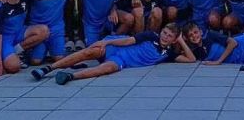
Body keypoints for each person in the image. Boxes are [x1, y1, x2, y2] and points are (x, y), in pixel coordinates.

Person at [30, 23, 196, 85]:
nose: (165, 36)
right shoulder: (150, 35)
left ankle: (70, 76)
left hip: (121, 60)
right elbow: (128, 41)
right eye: (165, 32)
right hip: (116, 47)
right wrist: (106, 43)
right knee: (90, 51)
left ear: (174, 39)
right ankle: (48, 69)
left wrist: (181, 41)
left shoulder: (169, 54)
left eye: (170, 36)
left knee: (108, 68)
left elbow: (191, 59)